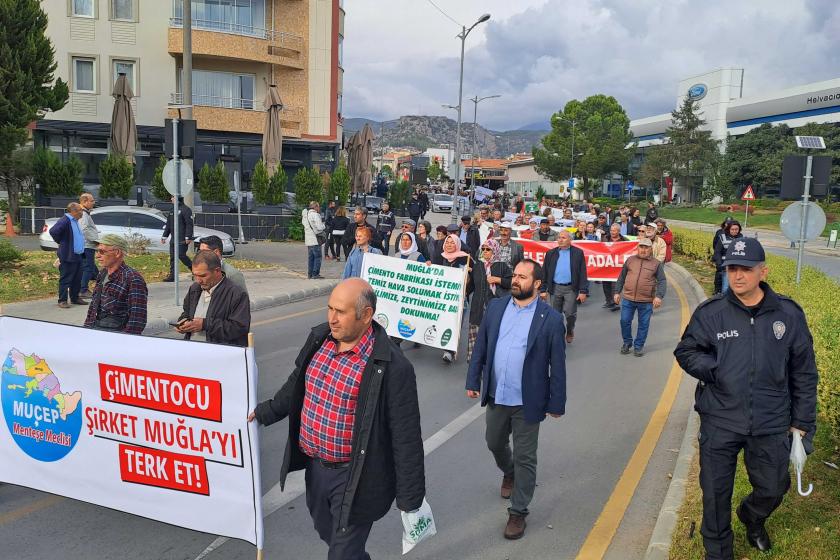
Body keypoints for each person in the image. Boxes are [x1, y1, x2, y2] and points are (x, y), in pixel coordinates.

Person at [249, 279, 425, 560]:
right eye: (330, 308)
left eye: (340, 311)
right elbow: (298, 382)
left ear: (366, 315)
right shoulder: (320, 340)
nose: (331, 318)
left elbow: (406, 436)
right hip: (316, 469)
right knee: (327, 533)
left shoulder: (391, 366)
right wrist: (266, 411)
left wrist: (410, 499)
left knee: (341, 554)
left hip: (356, 477)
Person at [674, 237, 817, 560]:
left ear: (762, 271)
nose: (738, 276)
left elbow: (804, 373)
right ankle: (718, 552)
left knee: (773, 487)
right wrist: (714, 369)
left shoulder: (788, 315)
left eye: (746, 269)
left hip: (771, 420)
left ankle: (753, 517)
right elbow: (686, 351)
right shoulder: (712, 313)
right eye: (732, 268)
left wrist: (802, 423)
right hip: (721, 418)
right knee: (715, 494)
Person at [465, 259, 566, 540]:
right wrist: (473, 380)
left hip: (528, 400)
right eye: (514, 275)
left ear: (536, 284)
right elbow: (482, 347)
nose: (515, 280)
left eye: (522, 277)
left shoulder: (551, 319)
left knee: (525, 457)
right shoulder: (496, 308)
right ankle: (508, 472)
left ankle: (518, 511)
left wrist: (557, 403)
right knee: (493, 442)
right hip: (498, 394)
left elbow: (557, 365)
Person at [175, 250, 251, 346]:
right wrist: (183, 323)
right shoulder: (194, 289)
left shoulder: (236, 294)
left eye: (203, 276)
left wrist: (205, 324)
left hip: (220, 354)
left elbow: (239, 328)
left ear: (217, 271)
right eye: (195, 275)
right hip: (193, 351)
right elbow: (187, 313)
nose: (198, 281)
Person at [83, 233, 148, 334]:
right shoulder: (103, 273)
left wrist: (123, 343)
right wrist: (85, 330)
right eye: (97, 251)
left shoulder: (133, 279)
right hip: (97, 330)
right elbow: (93, 307)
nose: (97, 255)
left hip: (117, 335)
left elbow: (137, 320)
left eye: (102, 251)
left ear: (117, 253)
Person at [613, 238, 666, 356]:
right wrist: (617, 292)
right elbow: (621, 277)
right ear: (638, 248)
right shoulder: (630, 260)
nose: (643, 250)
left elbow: (662, 281)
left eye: (646, 247)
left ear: (651, 249)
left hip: (646, 300)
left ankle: (638, 346)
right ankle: (627, 342)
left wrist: (659, 296)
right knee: (624, 321)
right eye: (641, 247)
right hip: (628, 298)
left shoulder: (656, 264)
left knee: (643, 324)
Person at [466, 239, 512, 361]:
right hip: (478, 306)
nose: (485, 252)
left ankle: (490, 360)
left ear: (495, 250)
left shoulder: (502, 266)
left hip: (495, 306)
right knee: (475, 334)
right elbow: (471, 288)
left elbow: (511, 283)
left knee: (492, 334)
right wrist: (466, 281)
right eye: (483, 249)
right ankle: (474, 360)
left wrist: (497, 280)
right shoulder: (478, 266)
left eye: (488, 249)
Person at [541, 230, 588, 344]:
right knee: (555, 315)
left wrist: (583, 291)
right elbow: (545, 272)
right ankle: (558, 334)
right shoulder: (551, 253)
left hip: (570, 289)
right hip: (555, 288)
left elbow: (582, 273)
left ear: (570, 240)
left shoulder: (578, 253)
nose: (560, 240)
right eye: (559, 237)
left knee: (570, 313)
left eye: (563, 238)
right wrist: (543, 289)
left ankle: (570, 329)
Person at [433, 233, 471, 364]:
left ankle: (449, 351)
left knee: (454, 324)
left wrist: (468, 275)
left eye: (452, 242)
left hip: (459, 299)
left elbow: (471, 282)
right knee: (443, 322)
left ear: (458, 244)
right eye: (447, 243)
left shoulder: (465, 259)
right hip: (442, 298)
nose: (449, 245)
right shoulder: (440, 257)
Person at [49, 202, 87, 308]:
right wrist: (62, 242)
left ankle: (75, 298)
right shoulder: (65, 220)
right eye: (80, 210)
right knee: (66, 278)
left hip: (78, 254)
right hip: (68, 255)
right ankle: (62, 300)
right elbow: (53, 231)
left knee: (77, 278)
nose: (82, 212)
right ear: (74, 211)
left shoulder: (75, 220)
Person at [161, 196, 194, 282]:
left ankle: (194, 270)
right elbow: (168, 224)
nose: (171, 199)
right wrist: (164, 236)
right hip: (173, 239)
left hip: (182, 239)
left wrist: (188, 237)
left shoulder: (186, 209)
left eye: (172, 197)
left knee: (181, 255)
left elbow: (189, 224)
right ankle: (173, 276)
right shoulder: (172, 210)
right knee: (173, 258)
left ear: (177, 198)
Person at [601, 224, 627, 311]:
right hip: (606, 266)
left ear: (619, 231)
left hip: (618, 267)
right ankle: (608, 301)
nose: (612, 232)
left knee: (615, 286)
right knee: (606, 285)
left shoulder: (624, 240)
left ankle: (615, 303)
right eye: (611, 230)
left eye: (614, 231)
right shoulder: (605, 238)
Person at [78, 193, 99, 297]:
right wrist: (95, 240)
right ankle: (83, 290)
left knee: (92, 269)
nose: (93, 202)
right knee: (88, 268)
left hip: (87, 245)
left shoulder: (85, 213)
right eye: (92, 201)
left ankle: (100, 286)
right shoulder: (83, 214)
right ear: (84, 202)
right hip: (87, 245)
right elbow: (84, 230)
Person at [714, 221, 743, 294]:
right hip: (726, 266)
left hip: (738, 266)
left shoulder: (741, 237)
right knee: (726, 288)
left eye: (736, 229)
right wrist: (719, 264)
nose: (734, 231)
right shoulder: (722, 237)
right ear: (728, 229)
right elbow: (717, 252)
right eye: (732, 229)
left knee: (736, 288)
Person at [303, 201, 326, 279]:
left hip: (308, 240)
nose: (319, 208)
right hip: (315, 240)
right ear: (315, 207)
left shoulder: (305, 215)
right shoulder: (315, 215)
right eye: (318, 207)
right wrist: (324, 226)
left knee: (311, 258)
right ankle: (315, 274)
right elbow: (319, 227)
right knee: (317, 257)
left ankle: (310, 274)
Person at [711, 218, 734, 294]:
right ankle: (717, 289)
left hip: (730, 261)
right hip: (720, 257)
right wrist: (717, 256)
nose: (727, 224)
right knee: (719, 274)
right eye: (727, 223)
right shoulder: (719, 232)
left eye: (729, 223)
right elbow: (715, 244)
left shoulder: (738, 235)